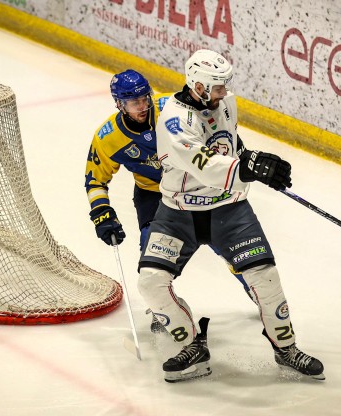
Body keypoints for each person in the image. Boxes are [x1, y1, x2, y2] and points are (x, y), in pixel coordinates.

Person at [137, 49, 325, 383]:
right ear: (198, 86)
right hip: (179, 213)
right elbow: (206, 166)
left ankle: (285, 348)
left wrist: (254, 160)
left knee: (265, 277)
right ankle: (192, 345)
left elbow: (229, 143)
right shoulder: (174, 121)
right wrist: (249, 169)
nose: (225, 92)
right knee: (151, 282)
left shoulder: (225, 103)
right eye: (218, 86)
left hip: (229, 209)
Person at [84, 69, 254, 333]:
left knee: (229, 243)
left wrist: (234, 150)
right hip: (153, 195)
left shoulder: (171, 108)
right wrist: (102, 211)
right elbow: (95, 180)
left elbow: (215, 127)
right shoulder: (107, 138)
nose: (143, 106)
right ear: (119, 104)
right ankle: (163, 308)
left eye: (145, 98)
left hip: (196, 184)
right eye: (134, 102)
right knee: (151, 251)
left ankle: (256, 288)